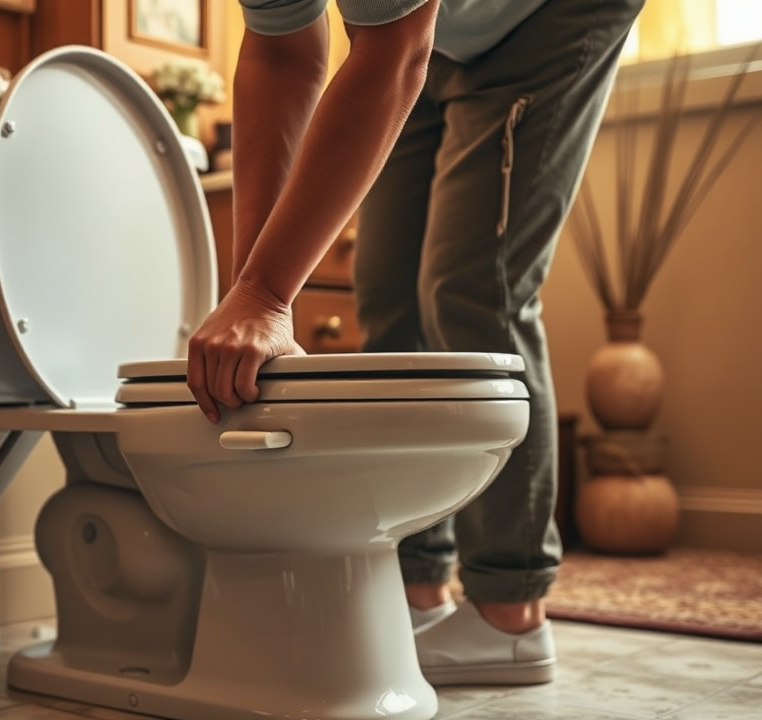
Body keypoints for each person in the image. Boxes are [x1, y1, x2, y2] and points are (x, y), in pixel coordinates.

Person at [186, 0, 643, 685]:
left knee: (474, 286)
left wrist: (265, 295)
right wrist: (253, 293)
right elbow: (281, 55)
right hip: (431, 31)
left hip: (549, 13)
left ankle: (509, 611)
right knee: (388, 292)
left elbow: (393, 55)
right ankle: (418, 589)